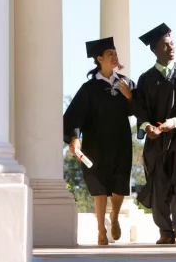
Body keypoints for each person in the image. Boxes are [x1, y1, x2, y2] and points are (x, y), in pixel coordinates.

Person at [133, 23, 176, 244]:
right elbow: (139, 108)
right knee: (159, 182)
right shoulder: (146, 79)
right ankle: (165, 231)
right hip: (157, 138)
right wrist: (147, 127)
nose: (171, 48)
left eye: (172, 43)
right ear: (155, 49)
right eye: (165, 45)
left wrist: (174, 122)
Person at [63, 37, 135, 245]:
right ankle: (101, 230)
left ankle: (114, 218)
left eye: (115, 53)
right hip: (95, 143)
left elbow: (137, 110)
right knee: (99, 187)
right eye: (110, 53)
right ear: (99, 59)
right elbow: (75, 115)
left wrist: (129, 96)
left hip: (120, 141)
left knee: (120, 185)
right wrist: (75, 138)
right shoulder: (89, 88)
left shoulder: (125, 83)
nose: (115, 56)